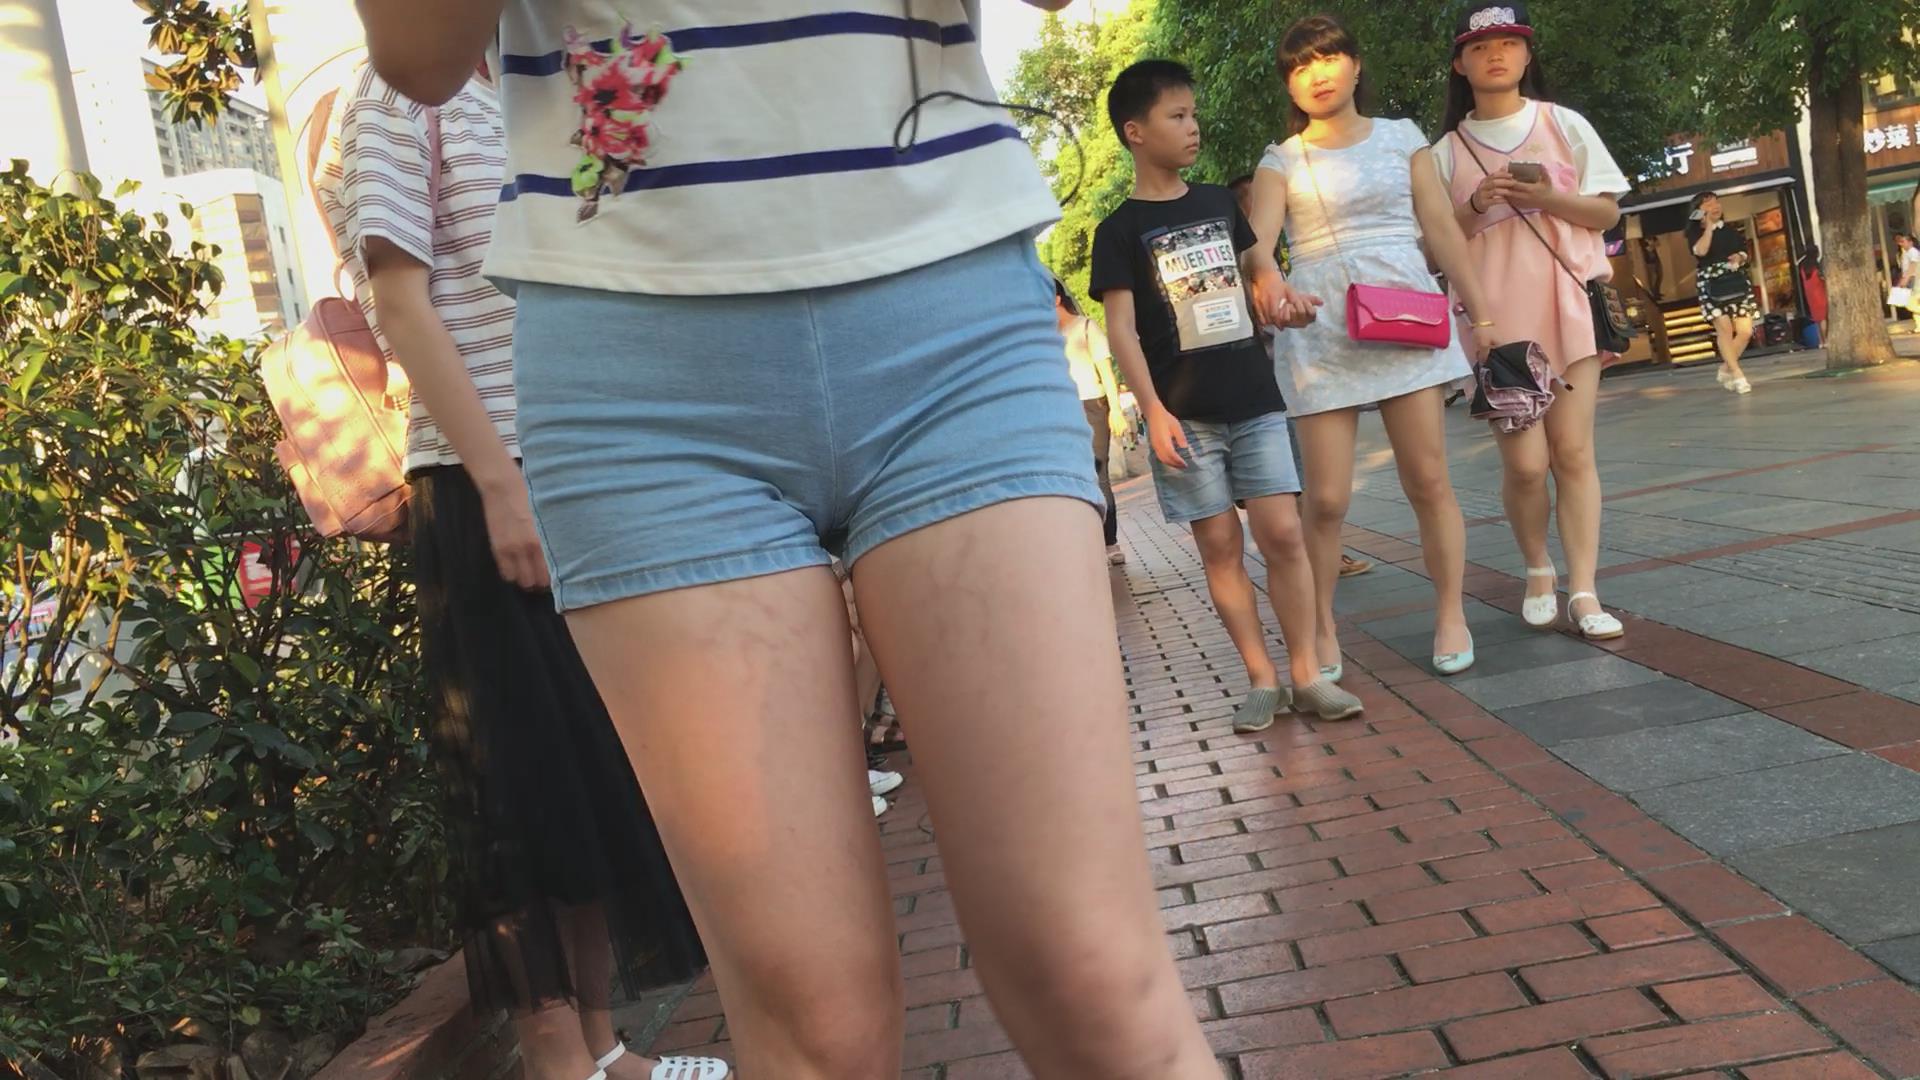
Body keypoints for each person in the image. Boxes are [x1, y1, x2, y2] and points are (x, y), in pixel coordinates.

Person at [356, 3, 1225, 1077]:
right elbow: (418, 57)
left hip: (949, 314)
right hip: (638, 367)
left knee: (1093, 978)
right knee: (817, 1031)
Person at [313, 63, 721, 1080]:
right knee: (517, 789)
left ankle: (601, 1046)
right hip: (481, 477)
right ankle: (553, 1052)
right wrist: (499, 485)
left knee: (581, 774)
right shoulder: (400, 92)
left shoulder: (525, 85)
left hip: (565, 466)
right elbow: (399, 301)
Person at [1092, 60, 1366, 733]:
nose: (1193, 127)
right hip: (1184, 417)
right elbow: (1121, 330)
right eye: (1177, 116)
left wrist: (1284, 299)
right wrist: (1153, 411)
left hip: (1253, 399)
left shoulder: (1218, 202)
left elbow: (1258, 271)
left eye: (1193, 114)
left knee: (1283, 534)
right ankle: (1261, 680)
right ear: (1134, 131)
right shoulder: (1118, 230)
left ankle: (1307, 674)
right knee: (1218, 547)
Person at [1245, 14, 1499, 679]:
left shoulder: (1402, 137)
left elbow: (1440, 227)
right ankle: (1321, 627)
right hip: (1320, 330)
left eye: (1329, 58)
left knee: (1428, 480)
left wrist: (1482, 313)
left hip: (1402, 315)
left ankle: (1451, 613)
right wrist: (1270, 282)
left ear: (1356, 65)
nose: (1318, 74)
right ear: (1289, 84)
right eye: (1300, 66)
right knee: (1326, 499)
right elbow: (1258, 246)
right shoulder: (1280, 160)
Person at [1433, 0, 1626, 641]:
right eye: (1481, 47)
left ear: (1526, 54)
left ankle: (1585, 589)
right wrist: (1473, 206)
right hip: (1496, 326)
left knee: (1573, 452)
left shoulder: (1563, 123)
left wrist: (1548, 198)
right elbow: (1431, 250)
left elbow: (1607, 214)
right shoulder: (1444, 153)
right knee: (1524, 465)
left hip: (1569, 310)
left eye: (1510, 43)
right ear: (1460, 64)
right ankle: (1538, 567)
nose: (1497, 55)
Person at [1226, 173, 1376, 579]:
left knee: (1304, 475)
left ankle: (1321, 554)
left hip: (1291, 381)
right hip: (1272, 387)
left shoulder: (1269, 260)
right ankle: (1317, 556)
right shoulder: (1244, 265)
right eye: (1259, 202)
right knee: (1298, 476)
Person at [1053, 279, 1130, 564]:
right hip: (1062, 408)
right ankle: (1087, 543)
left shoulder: (1086, 327)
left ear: (1057, 298)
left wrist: (1116, 410)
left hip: (1092, 404)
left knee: (1098, 472)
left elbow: (1106, 371)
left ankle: (1110, 542)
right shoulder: (1046, 338)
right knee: (1072, 476)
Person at [1687, 192, 1756, 393]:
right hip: (1711, 284)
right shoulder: (1694, 233)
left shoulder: (1730, 230)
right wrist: (1708, 227)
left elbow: (1744, 250)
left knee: (1745, 331)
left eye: (1716, 202)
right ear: (1698, 211)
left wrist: (1740, 257)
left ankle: (1725, 368)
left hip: (1735, 280)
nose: (1715, 206)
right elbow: (1701, 251)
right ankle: (1738, 374)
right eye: (1708, 204)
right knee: (1724, 329)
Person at [1798, 244, 1827, 344]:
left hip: (1810, 296)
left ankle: (1821, 342)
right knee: (1823, 318)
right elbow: (1821, 277)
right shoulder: (1816, 266)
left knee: (1817, 320)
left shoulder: (1803, 267)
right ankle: (1826, 340)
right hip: (1819, 293)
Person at [1897, 232, 1920, 333]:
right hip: (1910, 278)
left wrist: (1906, 278)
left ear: (1910, 242)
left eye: (1903, 241)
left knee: (1911, 302)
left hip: (1913, 279)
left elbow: (1913, 266)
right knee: (1912, 303)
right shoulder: (1905, 253)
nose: (1901, 244)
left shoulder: (1913, 252)